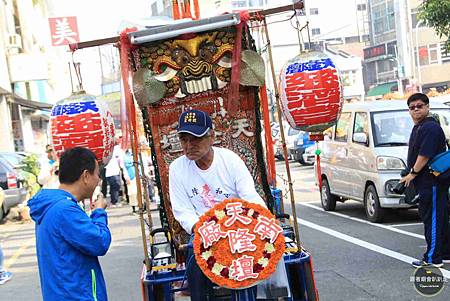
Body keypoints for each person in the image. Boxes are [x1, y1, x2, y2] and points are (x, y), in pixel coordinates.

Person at [169, 109, 266, 300]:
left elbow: (250, 196)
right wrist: (203, 229)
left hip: (238, 227)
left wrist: (260, 220)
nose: (189, 146)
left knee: (246, 261)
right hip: (204, 230)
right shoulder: (177, 168)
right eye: (184, 140)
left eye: (195, 139)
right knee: (195, 259)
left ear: (211, 136)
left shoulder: (230, 160)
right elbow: (183, 211)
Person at [28, 147, 111, 301]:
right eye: (97, 175)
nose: (98, 180)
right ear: (86, 176)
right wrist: (99, 212)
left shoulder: (55, 205)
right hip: (75, 295)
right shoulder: (65, 210)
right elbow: (100, 242)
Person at [400, 93, 450, 267]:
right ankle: (444, 253)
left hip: (431, 180)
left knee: (433, 218)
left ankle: (432, 258)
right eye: (412, 108)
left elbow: (425, 155)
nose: (416, 110)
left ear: (427, 107)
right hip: (430, 181)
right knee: (439, 217)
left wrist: (412, 173)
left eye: (419, 106)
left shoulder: (429, 128)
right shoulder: (420, 127)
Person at [105, 138, 127, 207]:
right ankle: (114, 201)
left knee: (115, 186)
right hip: (110, 171)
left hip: (115, 170)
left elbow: (121, 158)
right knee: (115, 186)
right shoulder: (110, 150)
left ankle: (115, 201)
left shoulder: (117, 149)